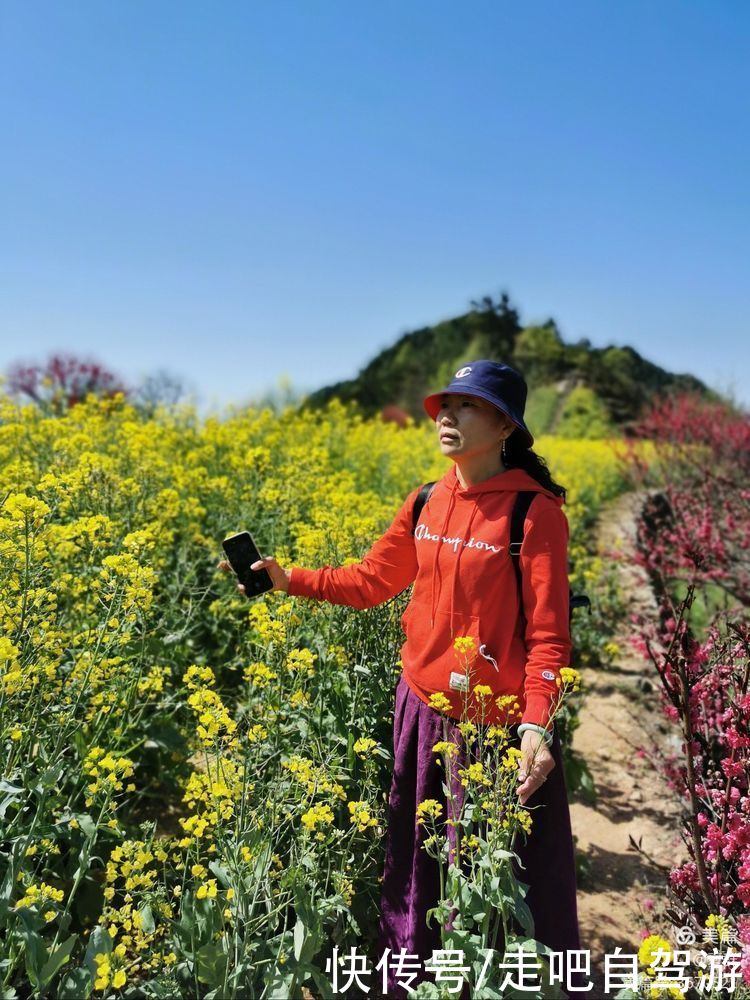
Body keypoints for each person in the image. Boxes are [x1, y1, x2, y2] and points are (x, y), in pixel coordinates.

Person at [218, 360, 584, 998]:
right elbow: (369, 582)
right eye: (444, 404)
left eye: (466, 406)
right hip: (421, 711)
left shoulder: (533, 512)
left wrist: (535, 724)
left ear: (504, 425)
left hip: (494, 732)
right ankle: (413, 981)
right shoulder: (425, 498)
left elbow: (550, 636)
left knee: (492, 885)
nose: (446, 415)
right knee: (418, 868)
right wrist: (287, 578)